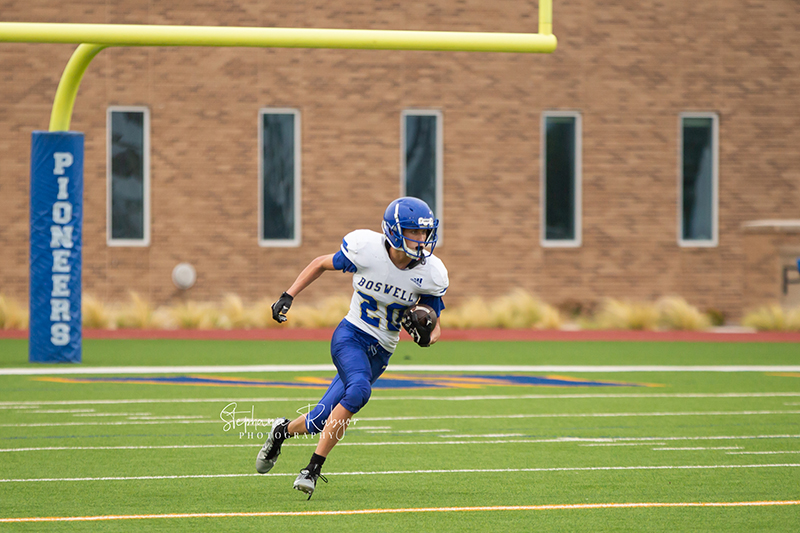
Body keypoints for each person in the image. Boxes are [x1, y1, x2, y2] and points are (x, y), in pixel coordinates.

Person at [255, 197, 449, 499]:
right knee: (358, 390)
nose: (421, 239)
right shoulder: (366, 250)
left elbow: (435, 324)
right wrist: (288, 295)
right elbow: (320, 263)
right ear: (395, 232)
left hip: (381, 352)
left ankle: (281, 432)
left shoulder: (430, 272)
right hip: (351, 335)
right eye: (414, 231)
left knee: (319, 421)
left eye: (424, 232)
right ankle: (312, 469)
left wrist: (427, 337)